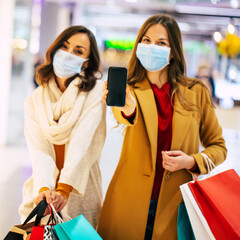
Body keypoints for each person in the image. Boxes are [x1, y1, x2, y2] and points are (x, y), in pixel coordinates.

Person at [98, 14, 227, 239]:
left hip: (175, 203)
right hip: (129, 200)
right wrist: (128, 109)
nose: (151, 47)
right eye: (146, 40)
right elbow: (125, 114)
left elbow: (219, 147)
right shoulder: (129, 89)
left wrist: (191, 161)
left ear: (173, 51)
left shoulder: (196, 92)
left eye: (161, 43)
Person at [19, 25, 106, 229]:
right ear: (55, 49)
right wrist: (44, 188)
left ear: (86, 62)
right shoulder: (35, 100)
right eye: (65, 47)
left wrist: (64, 188)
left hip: (79, 187)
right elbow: (39, 148)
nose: (68, 54)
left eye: (78, 51)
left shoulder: (94, 96)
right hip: (43, 188)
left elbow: (82, 145)